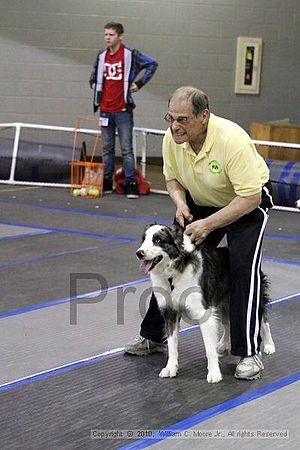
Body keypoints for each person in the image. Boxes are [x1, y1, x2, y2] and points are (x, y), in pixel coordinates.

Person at [125, 86, 274, 380]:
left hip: (244, 204)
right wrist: (180, 203)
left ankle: (248, 353)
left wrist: (209, 224)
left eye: (183, 119)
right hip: (199, 200)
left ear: (203, 116)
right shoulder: (173, 138)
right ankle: (154, 336)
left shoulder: (232, 140)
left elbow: (251, 198)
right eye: (171, 118)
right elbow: (172, 180)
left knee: (242, 269)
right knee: (169, 262)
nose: (175, 126)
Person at [89, 22, 158, 198]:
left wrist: (140, 83)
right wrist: (93, 82)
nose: (107, 38)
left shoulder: (130, 55)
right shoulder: (101, 56)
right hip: (105, 109)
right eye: (105, 34)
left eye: (111, 35)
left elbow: (152, 64)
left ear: (120, 36)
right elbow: (94, 73)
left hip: (123, 110)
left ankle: (131, 183)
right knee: (107, 149)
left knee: (126, 149)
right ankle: (106, 182)